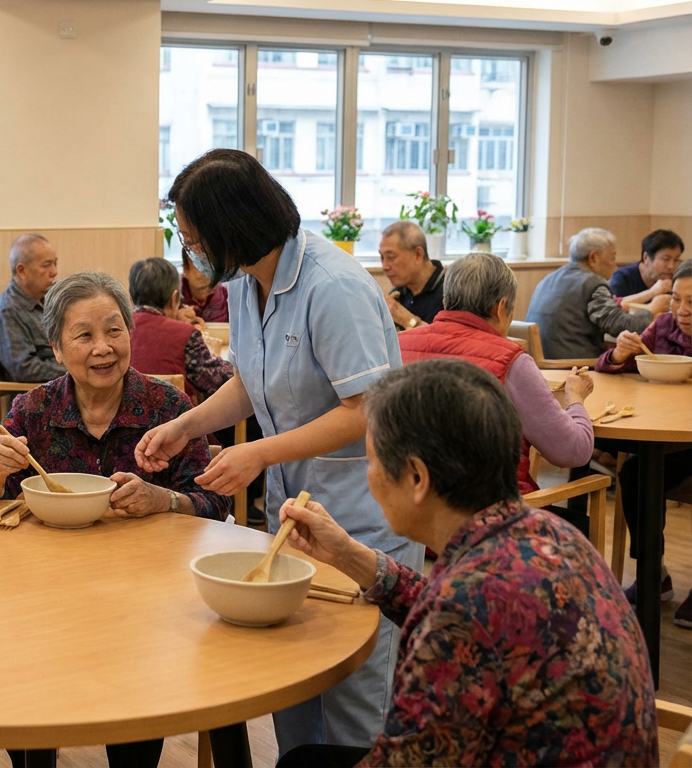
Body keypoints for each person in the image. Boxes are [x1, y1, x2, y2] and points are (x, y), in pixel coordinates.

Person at [137, 149, 421, 760]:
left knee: (355, 705)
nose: (190, 253)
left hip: (360, 516)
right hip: (294, 520)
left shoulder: (333, 284)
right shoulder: (246, 283)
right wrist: (185, 425)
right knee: (293, 687)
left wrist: (260, 454)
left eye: (192, 238)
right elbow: (252, 381)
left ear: (230, 228)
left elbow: (366, 407)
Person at [273, 359, 657, 768]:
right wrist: (349, 554)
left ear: (418, 478)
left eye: (371, 461)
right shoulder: (549, 532)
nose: (369, 476)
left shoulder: (462, 610)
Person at [0, 271, 225, 768]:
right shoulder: (36, 408)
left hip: (147, 600)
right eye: (84, 335)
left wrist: (162, 499)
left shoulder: (166, 407)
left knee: (134, 701)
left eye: (114, 330)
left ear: (131, 333)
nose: (103, 348)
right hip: (47, 597)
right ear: (57, 349)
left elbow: (213, 502)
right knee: (33, 684)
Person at [397, 252, 595, 499]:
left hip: (406, 511)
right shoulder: (511, 360)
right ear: (501, 307)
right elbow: (572, 451)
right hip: (489, 516)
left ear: (446, 303)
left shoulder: (396, 345)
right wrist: (575, 398)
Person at [598, 258, 692, 629]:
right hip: (671, 436)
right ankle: (654, 572)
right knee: (636, 471)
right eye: (676, 300)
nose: (682, 311)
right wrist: (620, 353)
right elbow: (607, 366)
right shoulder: (664, 326)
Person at [526, 228, 657, 360]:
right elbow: (621, 326)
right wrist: (652, 311)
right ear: (593, 257)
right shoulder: (592, 283)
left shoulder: (548, 279)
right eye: (612, 258)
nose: (615, 266)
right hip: (574, 364)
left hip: (540, 363)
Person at [127, 257, 235, 402]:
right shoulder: (185, 334)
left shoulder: (120, 329)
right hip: (174, 422)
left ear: (131, 298)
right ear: (174, 298)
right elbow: (222, 380)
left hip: (124, 420)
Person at [0, 233, 64, 382]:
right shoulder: (7, 311)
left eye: (55, 263)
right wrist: (73, 368)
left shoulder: (48, 302)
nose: (54, 272)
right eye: (46, 265)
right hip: (37, 399)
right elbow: (25, 370)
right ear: (22, 271)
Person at [378, 220, 444, 330]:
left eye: (391, 257)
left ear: (418, 255)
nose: (384, 266)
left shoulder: (450, 294)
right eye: (382, 258)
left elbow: (449, 344)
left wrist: (408, 320)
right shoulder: (399, 294)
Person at [609, 228, 683, 304]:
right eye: (665, 259)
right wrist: (652, 292)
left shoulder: (678, 279)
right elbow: (613, 309)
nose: (671, 266)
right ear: (646, 258)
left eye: (676, 260)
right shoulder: (622, 278)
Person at [180, 249, 229, 323]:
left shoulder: (226, 297)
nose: (207, 275)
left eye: (211, 267)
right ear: (185, 270)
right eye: (199, 267)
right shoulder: (174, 299)